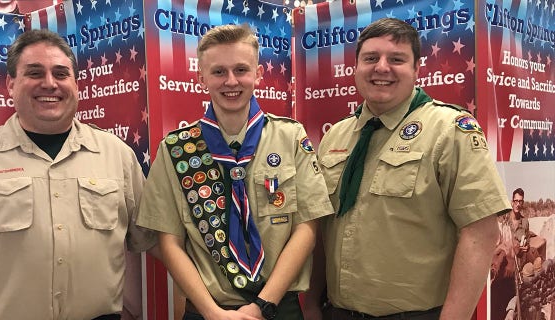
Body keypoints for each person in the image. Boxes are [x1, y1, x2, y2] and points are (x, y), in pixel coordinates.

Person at [0, 29, 157, 320]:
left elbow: (149, 242)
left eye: (61, 73)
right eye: (34, 73)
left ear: (76, 84)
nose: (50, 83)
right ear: (11, 84)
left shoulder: (117, 155)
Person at [304, 18, 511, 319]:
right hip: (337, 312)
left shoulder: (450, 130)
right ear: (356, 68)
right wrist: (311, 303)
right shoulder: (335, 136)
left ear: (416, 69)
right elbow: (322, 228)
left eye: (397, 59)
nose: (382, 67)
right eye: (371, 58)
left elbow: (480, 233)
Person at [136, 24, 333, 320]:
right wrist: (212, 312)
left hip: (278, 307)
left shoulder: (290, 137)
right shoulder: (176, 149)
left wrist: (263, 305)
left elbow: (306, 229)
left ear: (258, 73)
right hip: (207, 310)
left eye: (241, 69)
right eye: (218, 72)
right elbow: (170, 242)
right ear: (201, 78)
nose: (231, 81)